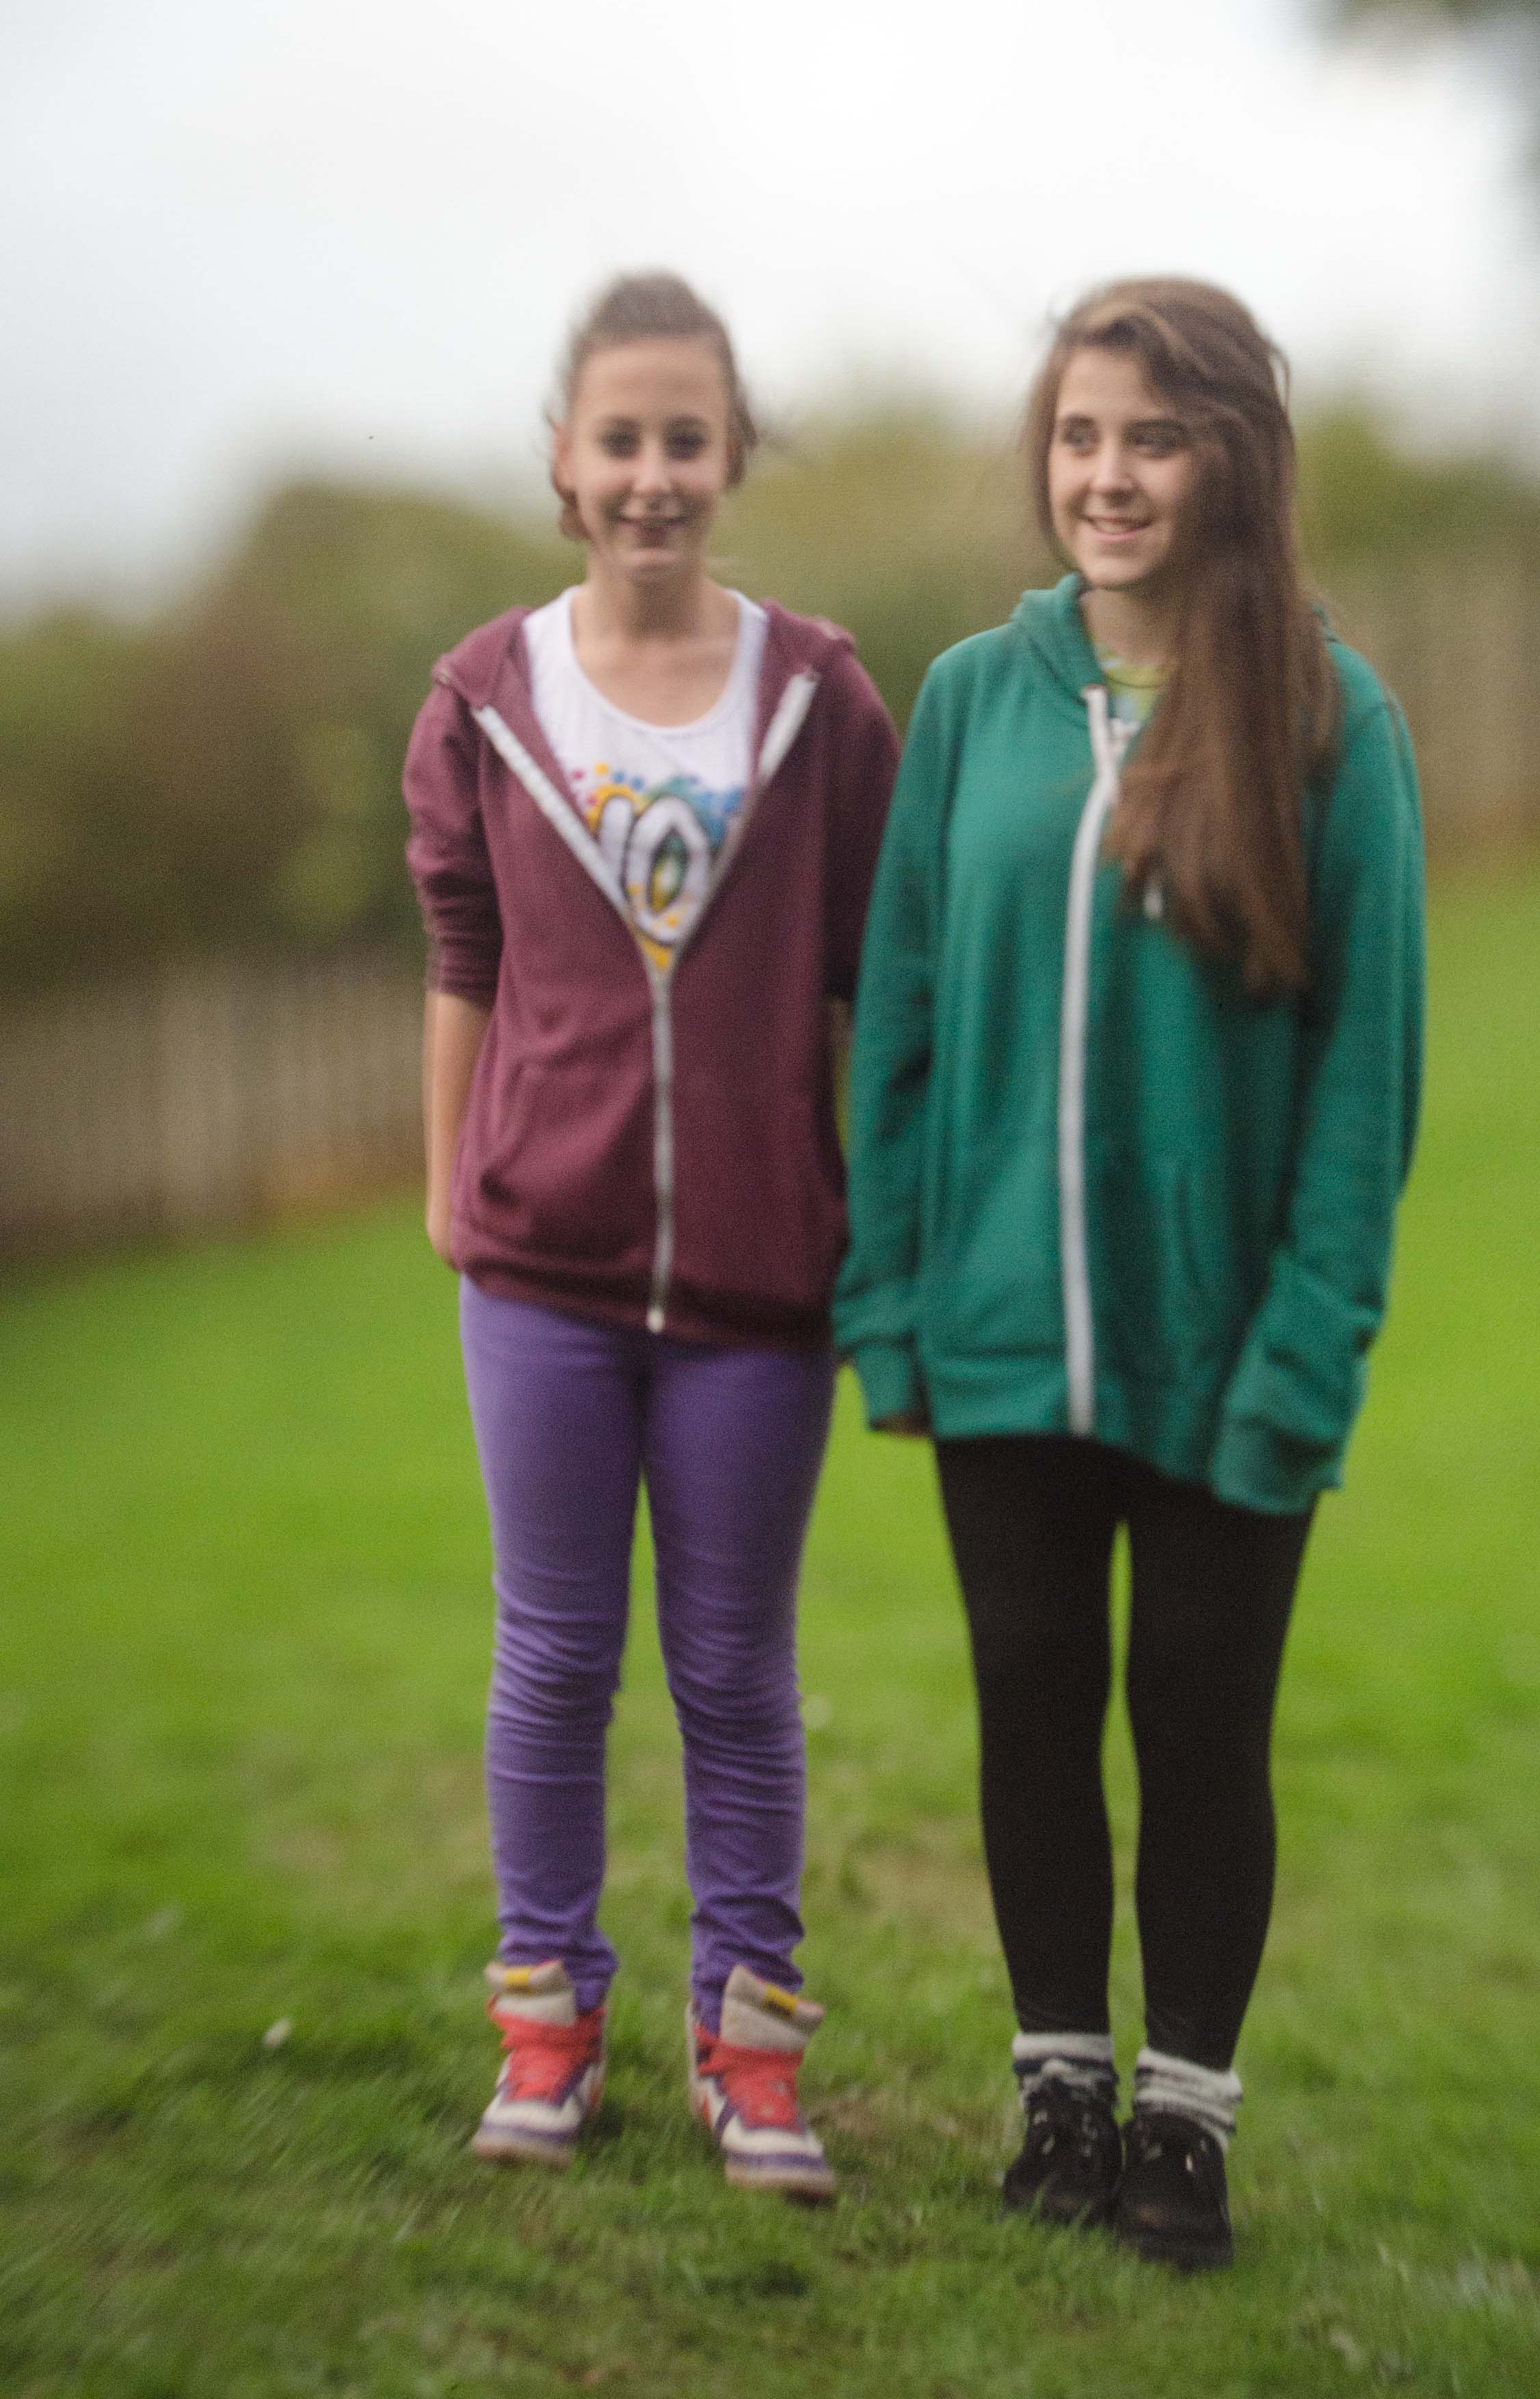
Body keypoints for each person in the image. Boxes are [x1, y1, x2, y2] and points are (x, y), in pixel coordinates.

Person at [834, 277, 1425, 2272]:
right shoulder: (969, 702)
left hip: (1226, 1351)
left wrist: (1308, 1351)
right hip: (998, 1335)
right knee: (1027, 1709)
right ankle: (1060, 2090)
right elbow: (899, 1024)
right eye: (1081, 437)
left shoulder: (1333, 721)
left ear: (1233, 462)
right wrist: (891, 1300)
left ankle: (1185, 2120)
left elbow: (1365, 1077)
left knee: (1199, 1725)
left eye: (1153, 439)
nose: (1107, 476)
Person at [403, 270, 899, 2194]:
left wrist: (852, 1192)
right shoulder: (485, 696)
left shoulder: (820, 697)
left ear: (733, 453)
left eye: (688, 438)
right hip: (541, 1273)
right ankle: (547, 2032)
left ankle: (749, 2051)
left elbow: (869, 976)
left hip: (762, 1285)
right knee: (550, 1656)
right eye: (621, 439)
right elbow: (464, 956)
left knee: (734, 1671)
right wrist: (455, 1183)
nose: (653, 475)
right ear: (564, 458)